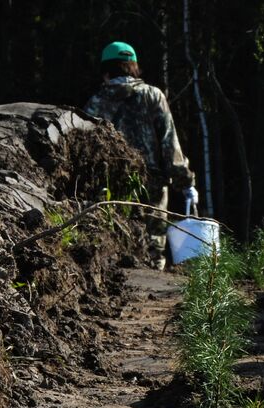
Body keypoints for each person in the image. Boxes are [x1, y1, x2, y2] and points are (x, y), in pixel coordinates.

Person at [83, 41, 197, 268]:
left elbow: (86, 150)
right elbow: (169, 143)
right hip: (152, 183)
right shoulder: (153, 96)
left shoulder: (95, 103)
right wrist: (186, 183)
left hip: (110, 187)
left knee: (114, 242)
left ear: (106, 71)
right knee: (154, 247)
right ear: (133, 67)